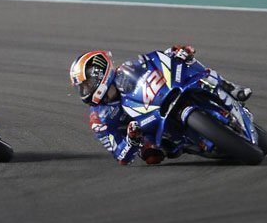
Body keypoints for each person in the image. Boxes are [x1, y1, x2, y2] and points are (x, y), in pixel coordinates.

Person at [68, 45, 252, 165]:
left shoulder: (127, 69)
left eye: (87, 84)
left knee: (190, 64)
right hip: (147, 131)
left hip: (162, 98)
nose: (85, 90)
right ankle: (188, 143)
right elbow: (120, 156)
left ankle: (231, 88)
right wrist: (132, 140)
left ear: (99, 73)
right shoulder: (98, 118)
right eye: (82, 88)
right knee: (151, 155)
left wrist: (173, 53)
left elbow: (152, 61)